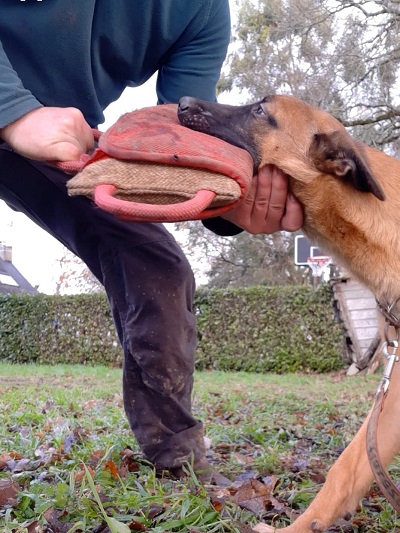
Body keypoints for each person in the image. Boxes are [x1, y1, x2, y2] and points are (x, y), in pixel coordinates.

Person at [0, 1, 303, 481]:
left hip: (65, 142)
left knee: (156, 265)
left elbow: (186, 134)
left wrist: (232, 197)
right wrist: (14, 112)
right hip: (23, 113)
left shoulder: (200, 11)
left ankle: (176, 457)